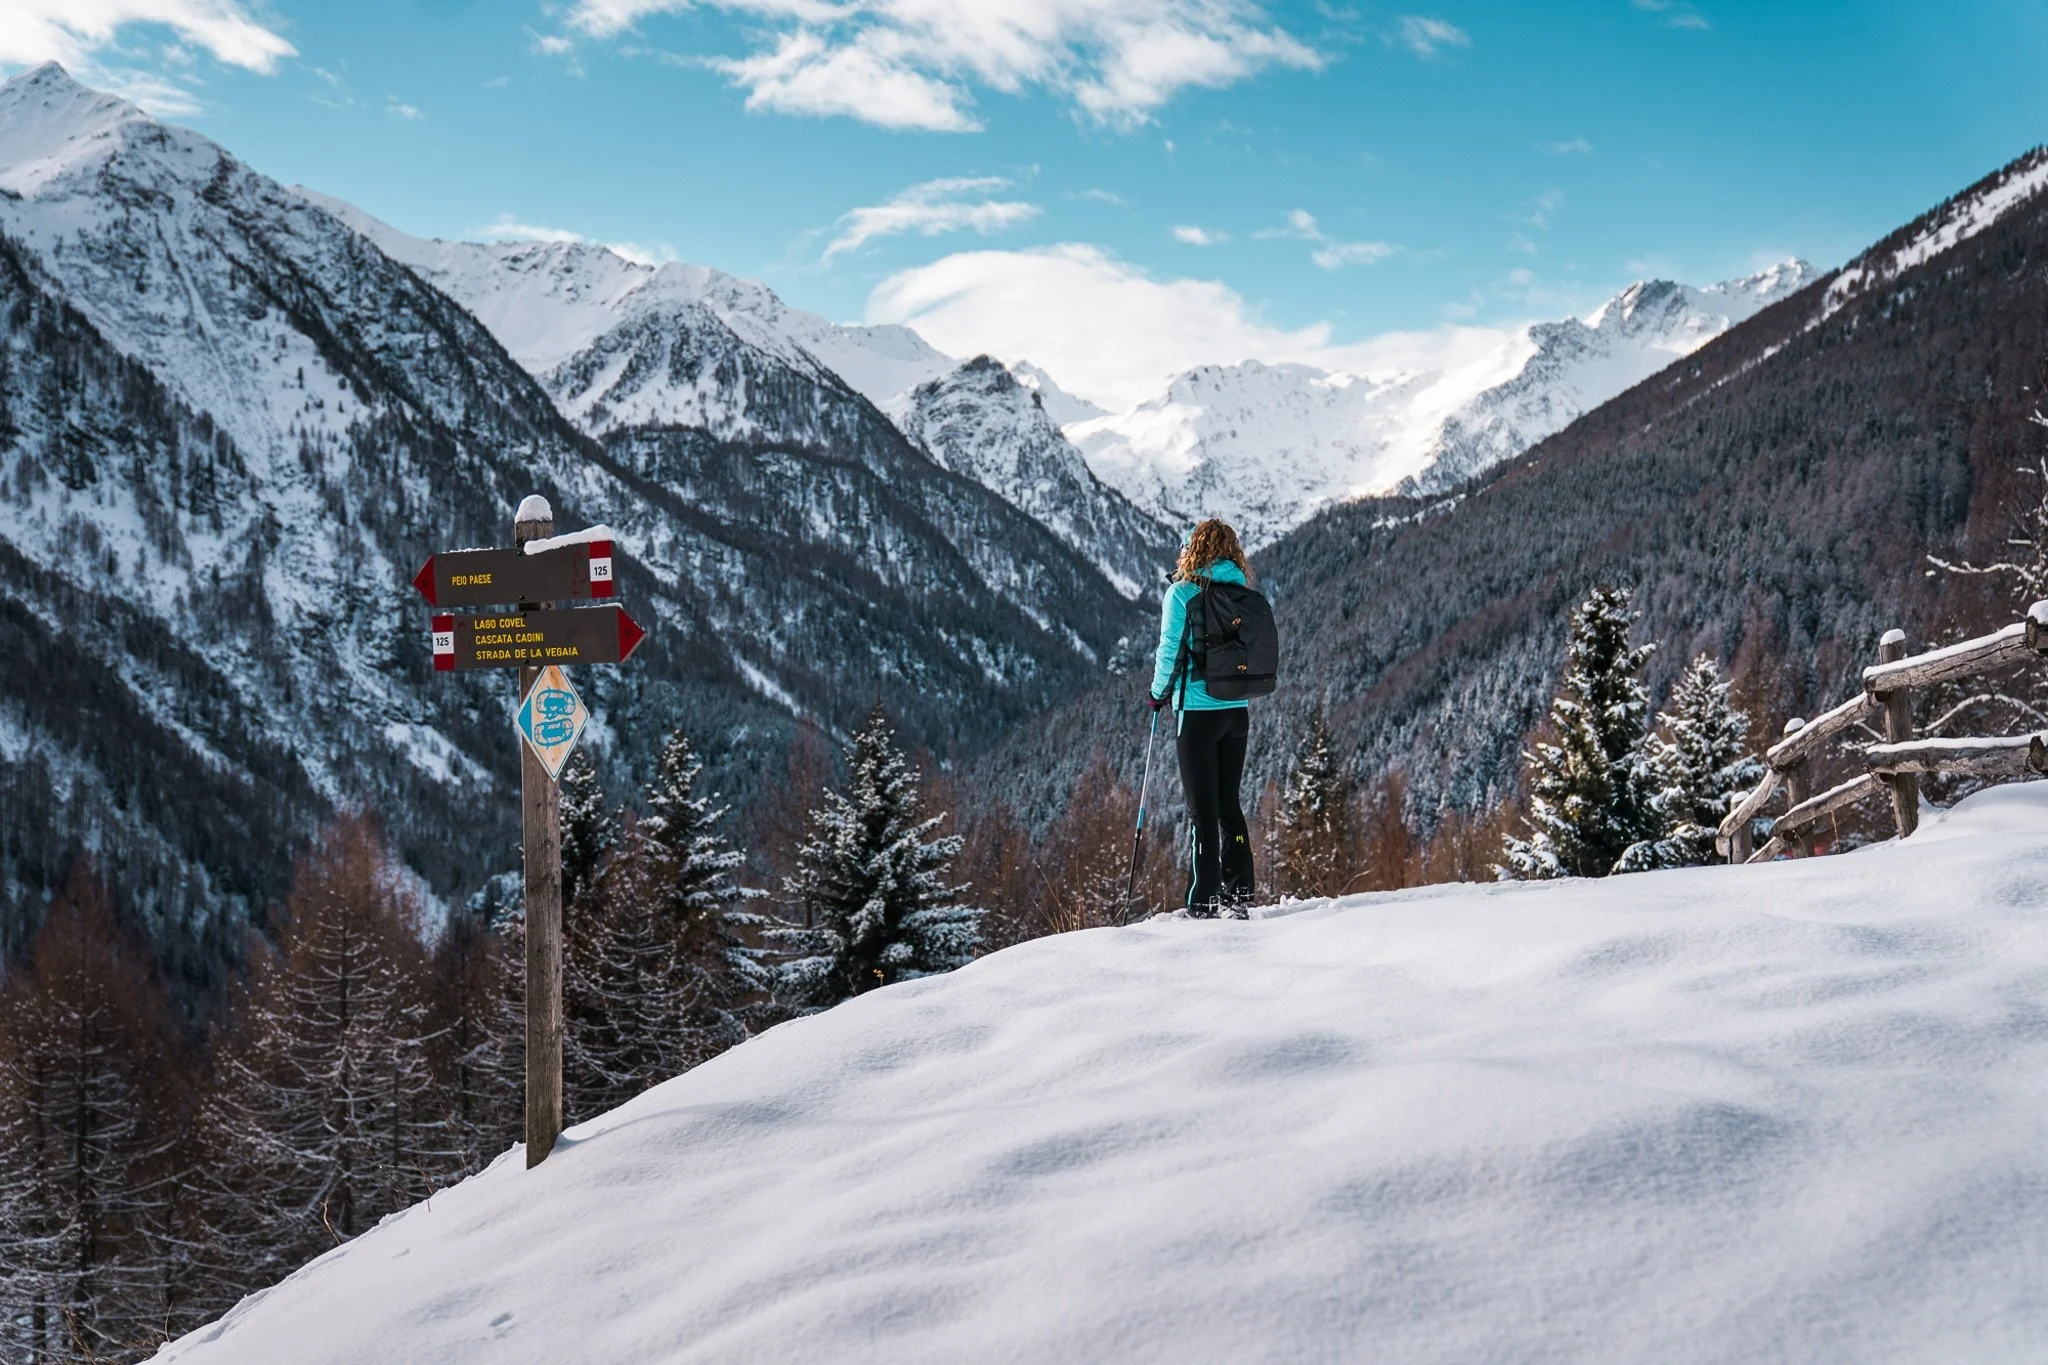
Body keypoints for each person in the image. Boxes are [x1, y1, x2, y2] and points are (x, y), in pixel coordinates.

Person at [1149, 519, 1256, 917]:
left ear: (1191, 550)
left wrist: (1157, 694)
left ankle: (1203, 899)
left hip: (1196, 713)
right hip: (1237, 713)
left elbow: (1169, 652)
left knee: (1202, 809)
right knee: (1230, 804)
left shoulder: (1181, 594)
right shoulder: (1242, 592)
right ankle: (1240, 891)